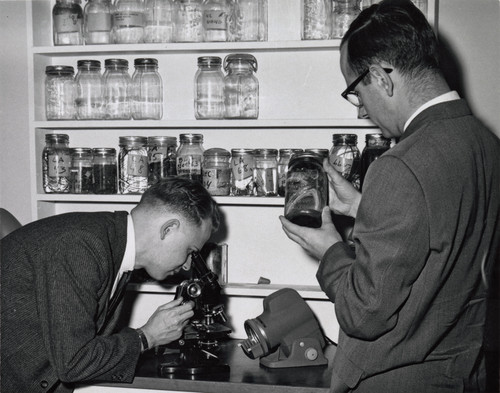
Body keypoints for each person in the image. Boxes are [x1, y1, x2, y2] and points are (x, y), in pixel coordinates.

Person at [280, 1, 500, 392]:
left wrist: (329, 249)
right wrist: (367, 207)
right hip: (465, 373)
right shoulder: (485, 143)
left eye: (356, 90)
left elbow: (364, 314)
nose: (360, 109)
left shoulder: (401, 165)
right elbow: (445, 236)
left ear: (381, 77)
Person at [1, 177, 220, 393]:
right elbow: (73, 363)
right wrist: (147, 336)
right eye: (191, 251)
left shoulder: (112, 245)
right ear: (168, 229)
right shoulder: (81, 245)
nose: (187, 265)